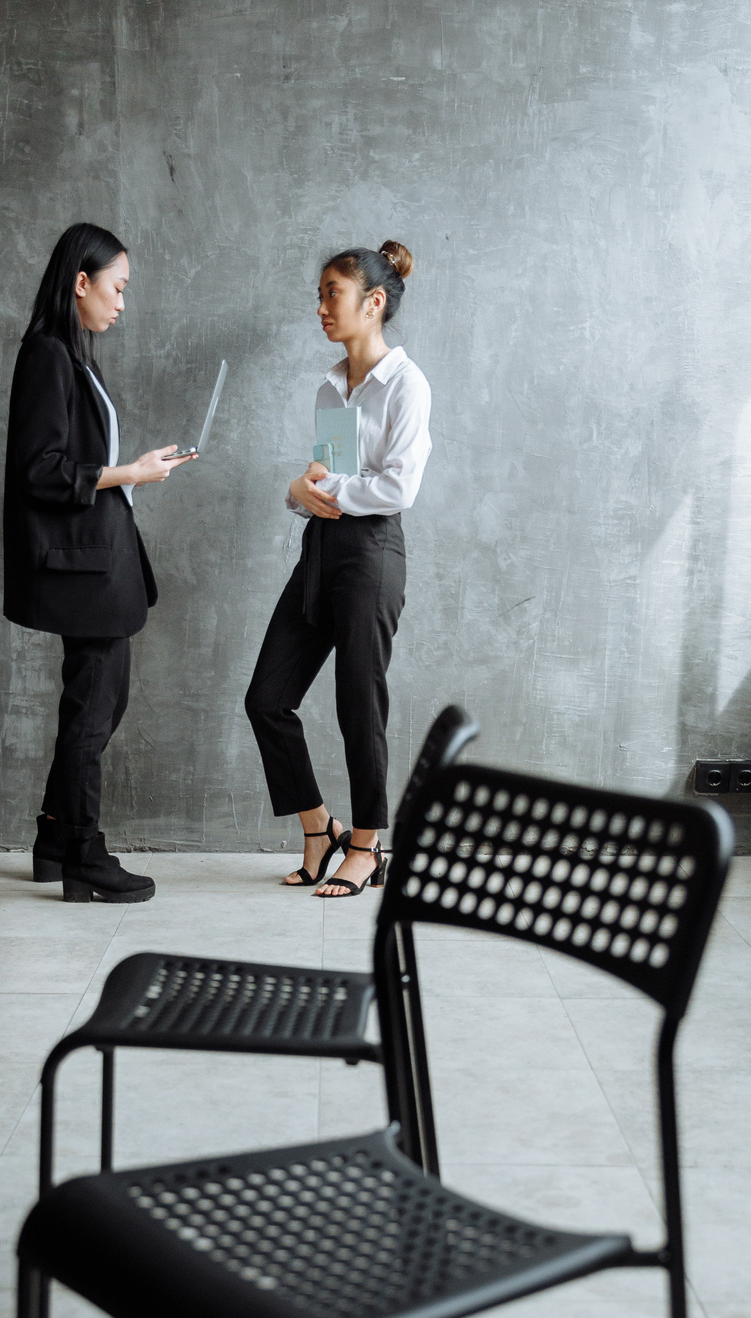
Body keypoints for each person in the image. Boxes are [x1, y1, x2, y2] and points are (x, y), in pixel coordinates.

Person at [3, 223, 192, 903]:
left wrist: (137, 473)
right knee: (92, 710)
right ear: (80, 283)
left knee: (98, 705)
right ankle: (83, 855)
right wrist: (125, 472)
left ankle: (56, 838)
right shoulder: (48, 355)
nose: (121, 303)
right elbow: (40, 471)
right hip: (81, 570)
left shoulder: (71, 353)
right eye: (116, 288)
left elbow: (72, 466)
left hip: (96, 562)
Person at [244, 241, 432, 897]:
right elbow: (326, 479)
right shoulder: (333, 385)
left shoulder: (406, 384)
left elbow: (396, 488)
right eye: (320, 293)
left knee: (359, 703)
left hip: (372, 555)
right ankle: (318, 828)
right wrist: (301, 492)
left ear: (372, 302)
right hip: (322, 552)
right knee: (266, 700)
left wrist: (313, 491)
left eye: (332, 292)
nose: (320, 305)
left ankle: (367, 846)